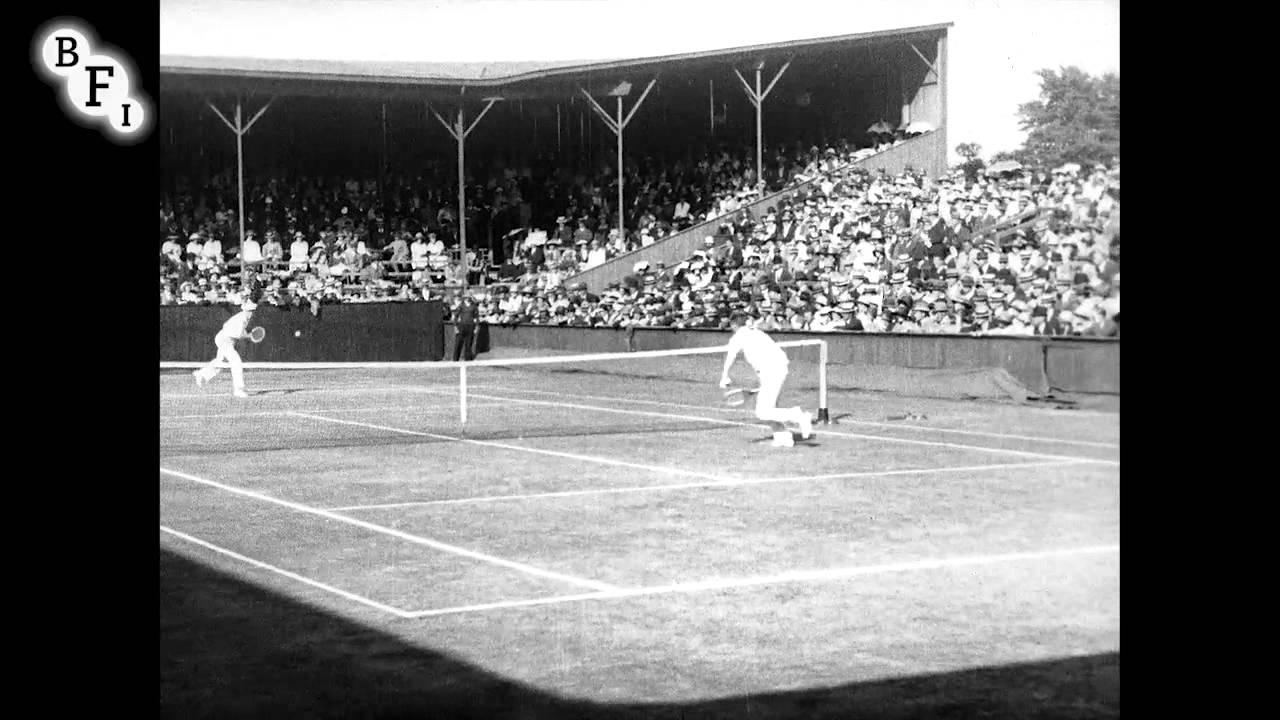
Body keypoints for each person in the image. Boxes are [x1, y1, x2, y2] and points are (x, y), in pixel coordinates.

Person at [718, 311, 813, 448]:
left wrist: (724, 376)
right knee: (770, 408)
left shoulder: (738, 337)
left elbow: (731, 356)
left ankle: (798, 415)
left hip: (772, 370)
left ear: (733, 325)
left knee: (762, 412)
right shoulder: (756, 332)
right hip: (776, 368)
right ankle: (783, 438)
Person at [192, 300, 257, 398]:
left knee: (221, 362)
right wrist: (248, 336)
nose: (251, 313)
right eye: (249, 310)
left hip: (226, 339)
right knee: (236, 362)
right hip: (224, 340)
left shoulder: (244, 318)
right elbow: (238, 334)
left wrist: (247, 335)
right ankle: (239, 389)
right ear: (245, 310)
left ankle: (201, 374)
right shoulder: (242, 318)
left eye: (252, 311)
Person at [452, 293, 478, 361]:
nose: (467, 298)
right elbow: (456, 316)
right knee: (458, 343)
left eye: (469, 297)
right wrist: (455, 326)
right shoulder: (461, 306)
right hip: (461, 326)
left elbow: (476, 317)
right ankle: (455, 359)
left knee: (468, 344)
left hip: (470, 326)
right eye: (466, 297)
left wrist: (476, 327)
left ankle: (467, 359)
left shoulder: (474, 306)